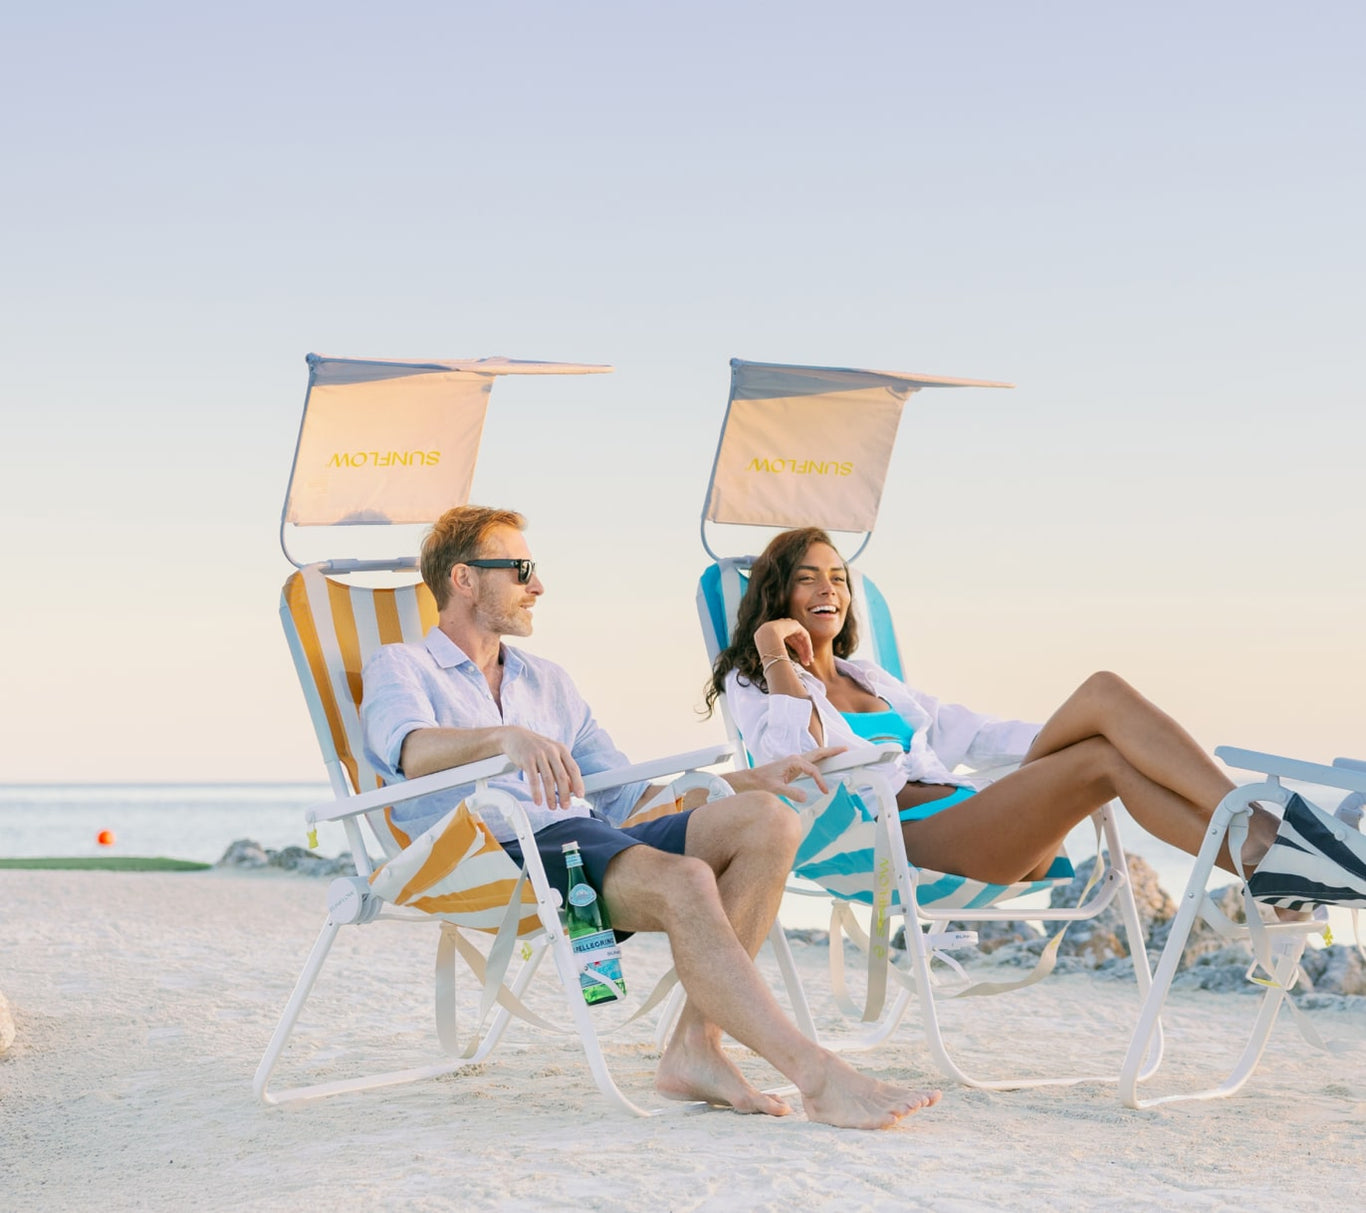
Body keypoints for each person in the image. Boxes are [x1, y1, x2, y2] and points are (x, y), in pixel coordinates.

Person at [361, 505, 940, 1129]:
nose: (538, 586)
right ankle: (816, 1075)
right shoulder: (401, 665)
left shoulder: (548, 681)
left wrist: (743, 781)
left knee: (767, 819)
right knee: (684, 880)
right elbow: (412, 750)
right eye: (521, 568)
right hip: (491, 848)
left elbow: (624, 795)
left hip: (585, 835)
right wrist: (504, 739)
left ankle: (696, 1045)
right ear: (464, 579)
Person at [709, 526, 1366, 906]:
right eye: (809, 577)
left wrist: (1085, 729)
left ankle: (1274, 856)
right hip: (912, 850)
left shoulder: (873, 679)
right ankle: (1280, 848)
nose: (830, 588)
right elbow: (793, 764)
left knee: (1105, 732)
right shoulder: (759, 689)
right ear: (777, 593)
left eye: (840, 577)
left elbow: (981, 735)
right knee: (1104, 730)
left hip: (978, 822)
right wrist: (774, 654)